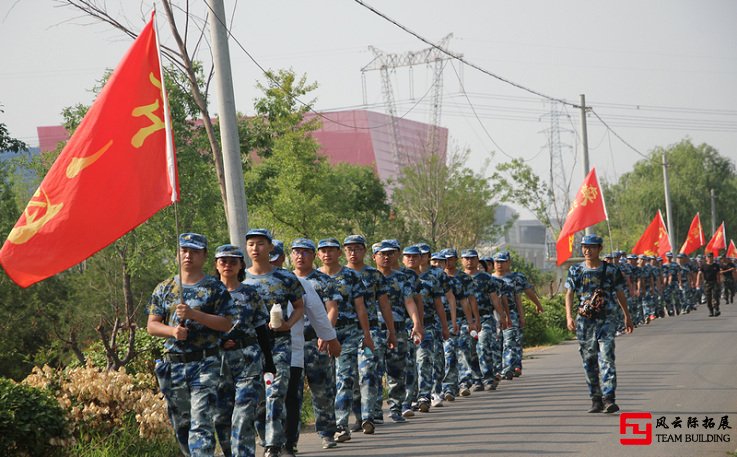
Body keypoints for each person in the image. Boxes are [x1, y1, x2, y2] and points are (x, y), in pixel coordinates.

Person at [147, 233, 236, 457]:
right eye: (184, 250)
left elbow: (226, 323)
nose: (188, 255)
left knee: (202, 420)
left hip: (205, 362)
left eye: (194, 251)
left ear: (204, 256)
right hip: (174, 365)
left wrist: (195, 314)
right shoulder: (164, 288)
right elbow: (152, 325)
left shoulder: (214, 288)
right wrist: (173, 331)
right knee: (182, 424)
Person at [273, 239, 341, 456]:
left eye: (305, 252)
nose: (300, 256)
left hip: (314, 341)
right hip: (284, 345)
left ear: (313, 256)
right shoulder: (276, 279)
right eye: (296, 252)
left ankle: (327, 432)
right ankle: (281, 440)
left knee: (322, 388)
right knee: (288, 395)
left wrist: (327, 335)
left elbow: (329, 310)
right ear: (289, 256)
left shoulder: (320, 280)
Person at [243, 229, 305, 457]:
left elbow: (300, 306)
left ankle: (273, 444)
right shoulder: (241, 278)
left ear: (270, 248)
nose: (255, 248)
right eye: (251, 244)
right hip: (250, 345)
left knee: (276, 392)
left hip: (279, 342)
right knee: (257, 397)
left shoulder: (285, 278)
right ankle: (264, 434)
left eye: (260, 244)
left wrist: (289, 324)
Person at [212, 244, 276, 457]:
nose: (228, 265)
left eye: (233, 261)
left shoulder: (250, 293)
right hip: (218, 362)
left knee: (243, 413)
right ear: (216, 265)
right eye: (223, 261)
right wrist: (219, 342)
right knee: (221, 417)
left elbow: (261, 328)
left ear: (241, 265)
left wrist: (269, 362)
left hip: (249, 357)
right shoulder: (208, 293)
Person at [565, 234, 633, 414]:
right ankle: (595, 398)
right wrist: (569, 317)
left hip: (607, 319)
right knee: (589, 359)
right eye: (584, 247)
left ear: (599, 249)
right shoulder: (575, 271)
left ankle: (609, 397)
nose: (587, 250)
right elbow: (569, 294)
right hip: (585, 321)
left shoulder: (611, 270)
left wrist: (627, 315)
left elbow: (620, 293)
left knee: (607, 356)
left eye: (592, 247)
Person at [317, 237, 373, 443]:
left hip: (349, 332)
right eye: (323, 250)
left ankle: (341, 424)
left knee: (345, 376)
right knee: (327, 381)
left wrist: (366, 335)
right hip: (320, 334)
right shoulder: (314, 277)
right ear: (318, 254)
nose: (327, 254)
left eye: (331, 250)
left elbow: (361, 307)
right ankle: (333, 420)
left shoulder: (350, 276)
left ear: (338, 253)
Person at [344, 234, 397, 433]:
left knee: (368, 372)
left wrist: (391, 331)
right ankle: (358, 415)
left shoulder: (374, 275)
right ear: (344, 251)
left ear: (365, 251)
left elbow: (384, 304)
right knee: (350, 376)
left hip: (372, 330)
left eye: (357, 248)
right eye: (349, 249)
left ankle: (369, 416)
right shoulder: (339, 275)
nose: (353, 252)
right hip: (347, 331)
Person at [372, 241, 423, 423]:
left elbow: (410, 301)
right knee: (375, 371)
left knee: (396, 371)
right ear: (374, 256)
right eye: (382, 254)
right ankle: (376, 411)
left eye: (390, 253)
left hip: (399, 328)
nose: (386, 257)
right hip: (375, 330)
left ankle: (395, 408)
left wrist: (417, 323)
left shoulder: (401, 278)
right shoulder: (368, 277)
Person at [696, 252, 722, 317]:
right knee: (708, 298)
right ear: (706, 258)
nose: (710, 258)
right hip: (707, 283)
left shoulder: (716, 265)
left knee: (715, 296)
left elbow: (718, 274)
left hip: (715, 282)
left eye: (711, 257)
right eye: (708, 257)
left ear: (713, 257)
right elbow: (699, 274)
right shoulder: (703, 266)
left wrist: (719, 281)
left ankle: (716, 309)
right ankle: (711, 311)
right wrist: (697, 282)